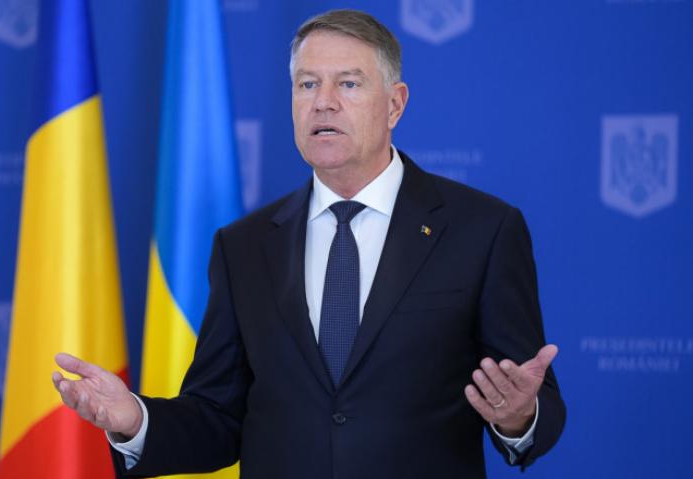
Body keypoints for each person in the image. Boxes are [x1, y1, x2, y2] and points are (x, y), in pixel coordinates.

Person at [52, 9, 565, 478]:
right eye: (307, 84)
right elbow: (218, 417)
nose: (324, 101)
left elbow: (534, 404)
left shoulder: (482, 230)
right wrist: (135, 420)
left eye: (349, 83)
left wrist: (519, 416)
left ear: (395, 104)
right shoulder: (244, 246)